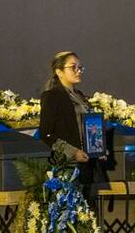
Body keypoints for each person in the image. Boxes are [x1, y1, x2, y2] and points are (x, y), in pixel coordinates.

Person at [39, 51, 107, 200]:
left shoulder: (81, 96)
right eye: (73, 67)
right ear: (59, 72)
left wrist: (99, 147)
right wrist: (73, 152)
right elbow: (46, 133)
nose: (78, 71)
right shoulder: (52, 96)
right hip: (67, 165)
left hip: (87, 163)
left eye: (80, 67)